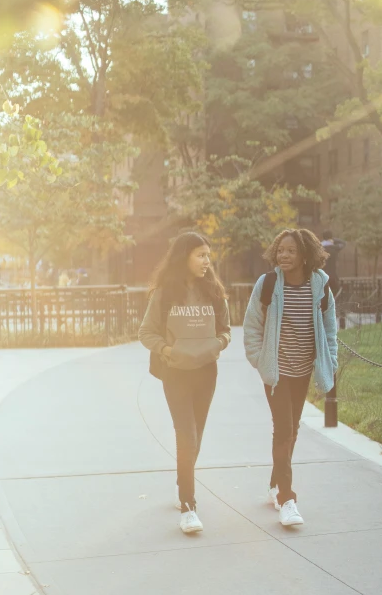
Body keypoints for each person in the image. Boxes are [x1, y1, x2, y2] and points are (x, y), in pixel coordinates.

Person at [243, 228, 338, 527]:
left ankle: (275, 485)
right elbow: (252, 325)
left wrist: (330, 361)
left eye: (290, 251)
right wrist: (260, 361)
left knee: (291, 430)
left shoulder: (320, 286)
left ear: (305, 255)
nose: (283, 255)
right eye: (280, 250)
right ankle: (287, 499)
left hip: (303, 370)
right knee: (284, 429)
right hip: (276, 371)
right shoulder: (268, 284)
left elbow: (330, 329)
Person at [139, 232, 231, 534]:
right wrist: (168, 351)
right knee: (186, 435)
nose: (207, 261)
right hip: (176, 373)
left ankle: (183, 478)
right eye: (200, 255)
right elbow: (146, 333)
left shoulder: (214, 291)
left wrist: (217, 344)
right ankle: (188, 505)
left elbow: (226, 331)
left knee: (197, 436)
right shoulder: (165, 294)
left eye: (208, 255)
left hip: (206, 372)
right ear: (184, 257)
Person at [320, 229, 346, 296]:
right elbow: (343, 243)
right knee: (336, 293)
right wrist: (333, 239)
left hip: (321, 276)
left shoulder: (319, 248)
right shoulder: (334, 248)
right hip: (332, 276)